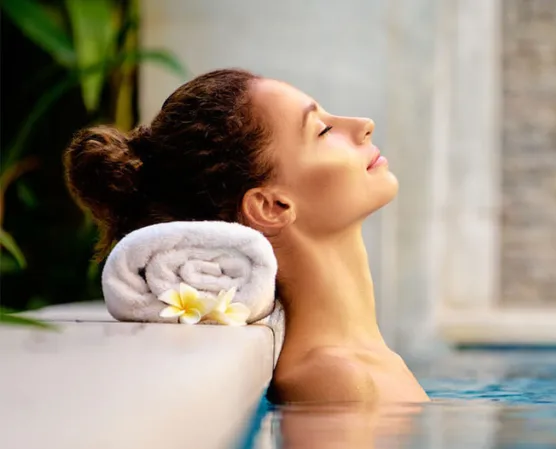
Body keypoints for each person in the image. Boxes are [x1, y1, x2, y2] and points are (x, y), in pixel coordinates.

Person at [63, 68, 429, 405]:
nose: (363, 125)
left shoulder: (368, 364)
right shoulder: (333, 379)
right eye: (322, 131)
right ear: (273, 206)